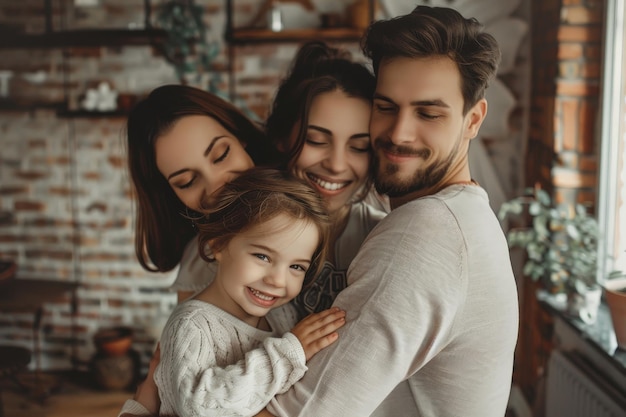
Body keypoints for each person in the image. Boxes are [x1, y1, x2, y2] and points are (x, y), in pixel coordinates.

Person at [257, 6, 519, 416]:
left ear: (473, 120)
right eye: (386, 107)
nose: (399, 133)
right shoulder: (463, 218)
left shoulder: (428, 230)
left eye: (428, 113)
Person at [153, 168, 346, 417]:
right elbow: (198, 408)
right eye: (263, 256)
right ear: (219, 243)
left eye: (296, 266)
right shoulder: (192, 326)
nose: (277, 280)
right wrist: (288, 354)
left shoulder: (283, 316)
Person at [265, 40, 387, 317]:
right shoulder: (237, 228)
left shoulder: (383, 237)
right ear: (282, 138)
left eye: (359, 147)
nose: (336, 165)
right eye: (316, 140)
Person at [126, 84, 280, 302]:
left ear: (240, 137)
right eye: (187, 182)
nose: (217, 185)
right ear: (170, 193)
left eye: (221, 155)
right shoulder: (197, 265)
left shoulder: (311, 208)